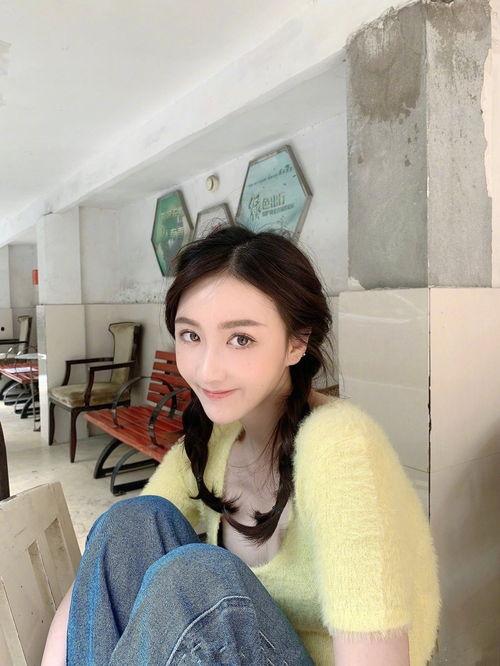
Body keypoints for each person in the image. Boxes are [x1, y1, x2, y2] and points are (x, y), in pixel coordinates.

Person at [42, 225, 441, 665]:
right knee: (131, 521)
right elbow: (107, 563)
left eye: (241, 339)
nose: (207, 370)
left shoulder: (340, 446)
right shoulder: (218, 436)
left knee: (195, 577)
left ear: (297, 342)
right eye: (191, 336)